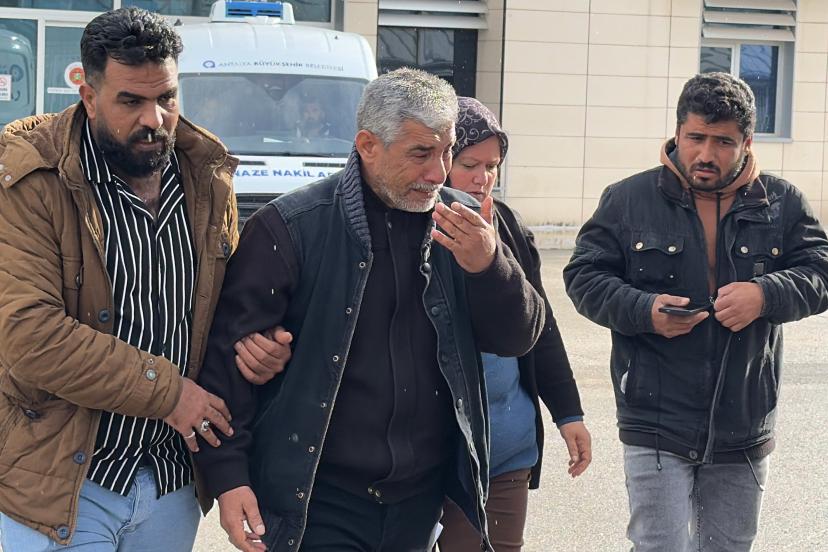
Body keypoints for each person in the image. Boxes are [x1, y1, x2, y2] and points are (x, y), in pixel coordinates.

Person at [194, 67, 545, 552]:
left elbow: (519, 337)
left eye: (446, 151)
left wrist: (489, 266)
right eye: (421, 153)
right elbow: (226, 365)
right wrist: (229, 477)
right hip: (316, 499)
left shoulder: (463, 223)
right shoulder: (291, 228)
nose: (438, 172)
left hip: (419, 501)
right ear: (367, 146)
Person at [0, 8, 290, 551]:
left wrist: (259, 349)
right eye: (130, 101)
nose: (154, 119)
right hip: (64, 481)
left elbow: (223, 313)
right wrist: (169, 394)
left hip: (171, 482)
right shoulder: (33, 178)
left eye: (168, 98)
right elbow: (29, 336)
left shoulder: (209, 180)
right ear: (89, 97)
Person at [563, 72, 828, 552]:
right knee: (659, 546)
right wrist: (644, 310)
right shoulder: (627, 199)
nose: (706, 153)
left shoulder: (782, 203)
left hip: (743, 420)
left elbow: (820, 272)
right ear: (678, 132)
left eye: (723, 142)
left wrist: (765, 294)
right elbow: (583, 277)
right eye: (696, 137)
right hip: (655, 417)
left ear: (747, 142)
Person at [437, 97, 592, 551]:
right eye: (468, 164)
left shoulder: (507, 225)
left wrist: (568, 413)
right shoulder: (413, 229)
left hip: (508, 447)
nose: (482, 178)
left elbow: (540, 325)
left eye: (492, 166)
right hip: (435, 451)